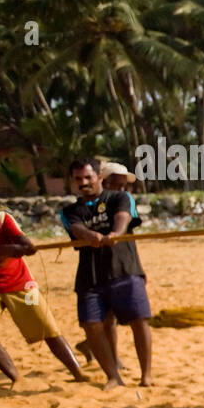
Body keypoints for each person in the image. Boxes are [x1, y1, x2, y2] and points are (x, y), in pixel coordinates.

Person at [60, 158, 153, 388]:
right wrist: (90, 236)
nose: (83, 182)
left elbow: (124, 217)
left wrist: (115, 233)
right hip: (90, 277)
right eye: (78, 179)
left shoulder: (120, 198)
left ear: (99, 176)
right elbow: (76, 228)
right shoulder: (70, 210)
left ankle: (146, 375)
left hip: (124, 269)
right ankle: (113, 376)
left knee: (139, 321)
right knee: (92, 325)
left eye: (88, 177)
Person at [0, 210, 85, 384]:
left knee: (48, 328)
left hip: (21, 285)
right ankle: (17, 379)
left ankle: (78, 373)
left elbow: (20, 237)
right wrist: (8, 249)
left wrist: (25, 245)